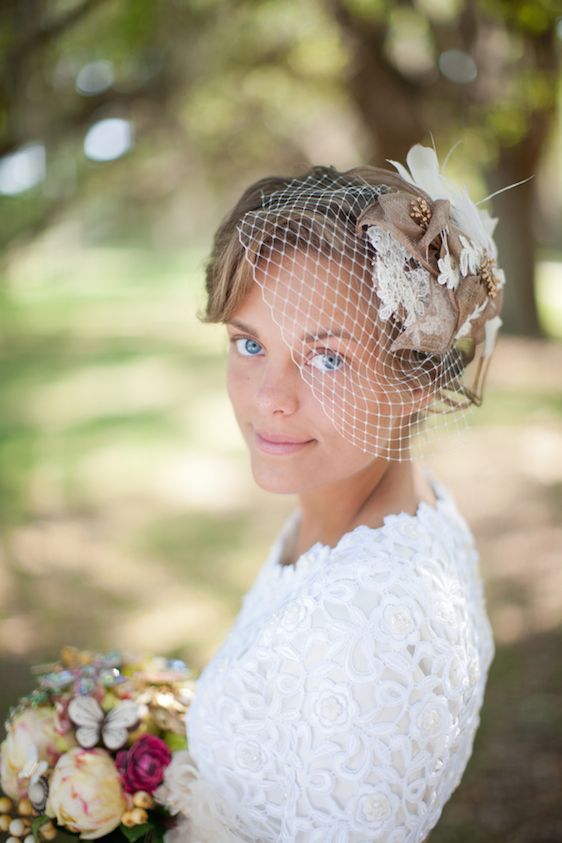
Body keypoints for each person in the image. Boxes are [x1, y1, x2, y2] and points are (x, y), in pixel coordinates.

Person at [156, 143, 502, 842]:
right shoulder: (356, 511)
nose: (271, 400)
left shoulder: (370, 622)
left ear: (419, 381)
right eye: (249, 343)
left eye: (327, 356)